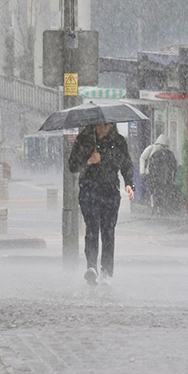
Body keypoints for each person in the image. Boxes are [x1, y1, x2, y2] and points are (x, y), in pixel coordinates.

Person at [68, 122, 134, 285]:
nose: (103, 129)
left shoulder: (118, 141)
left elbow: (126, 164)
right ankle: (91, 267)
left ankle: (107, 271)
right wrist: (89, 161)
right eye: (100, 126)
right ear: (93, 126)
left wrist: (129, 183)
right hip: (89, 190)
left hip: (110, 191)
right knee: (92, 229)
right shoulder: (84, 140)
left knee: (108, 232)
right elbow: (72, 166)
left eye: (107, 125)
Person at [147, 139, 177, 215]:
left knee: (157, 192)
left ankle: (156, 207)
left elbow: (151, 167)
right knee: (166, 193)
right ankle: (164, 208)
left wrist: (152, 177)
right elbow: (174, 167)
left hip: (157, 178)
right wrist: (173, 178)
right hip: (167, 178)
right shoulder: (170, 154)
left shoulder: (155, 154)